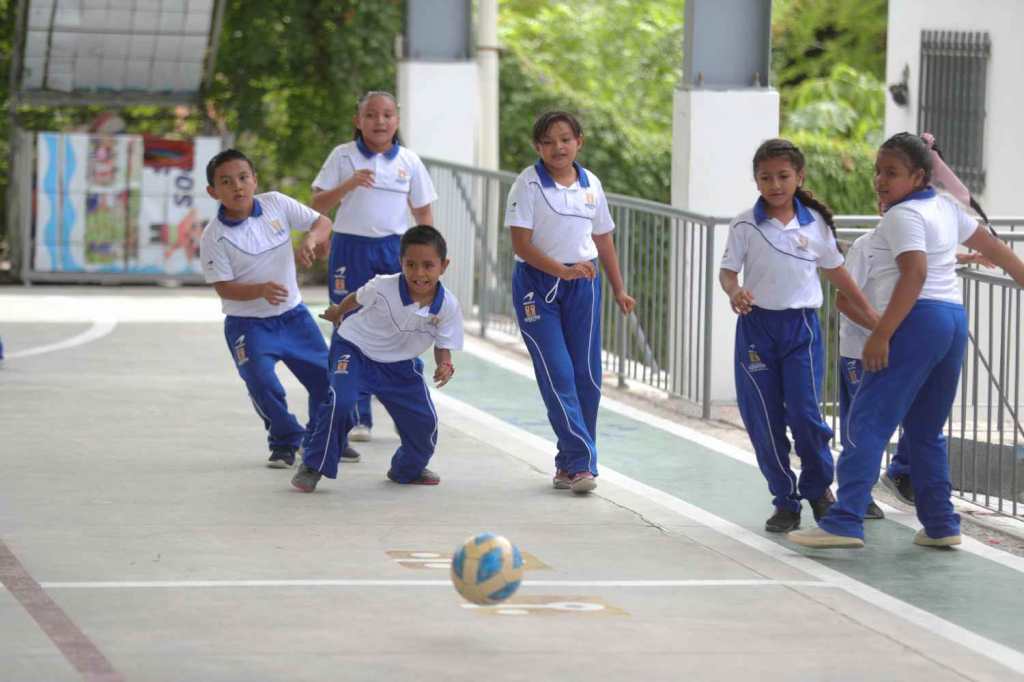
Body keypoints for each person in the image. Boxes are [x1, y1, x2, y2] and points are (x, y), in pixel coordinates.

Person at [789, 132, 1024, 549]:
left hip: (918, 321)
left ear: (918, 176)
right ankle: (940, 524)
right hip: (951, 321)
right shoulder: (947, 207)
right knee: (925, 430)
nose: (880, 180)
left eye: (891, 173)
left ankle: (843, 522)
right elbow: (998, 251)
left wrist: (881, 334)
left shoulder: (901, 217)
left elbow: (913, 273)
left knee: (868, 422)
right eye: (878, 171)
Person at [719, 138, 878, 533]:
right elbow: (727, 271)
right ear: (756, 181)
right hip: (757, 329)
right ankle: (784, 499)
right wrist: (734, 291)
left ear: (799, 176)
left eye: (783, 176)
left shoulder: (815, 223)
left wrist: (873, 316)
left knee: (806, 415)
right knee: (763, 418)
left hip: (801, 329)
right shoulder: (744, 224)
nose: (775, 184)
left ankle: (819, 490)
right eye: (766, 177)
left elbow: (837, 272)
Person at [504, 111, 635, 496]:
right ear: (537, 147)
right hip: (537, 285)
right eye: (548, 141)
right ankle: (581, 464)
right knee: (558, 373)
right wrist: (560, 271)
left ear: (579, 141)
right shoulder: (526, 186)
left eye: (565, 139)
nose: (557, 147)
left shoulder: (591, 183)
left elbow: (604, 238)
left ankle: (568, 463)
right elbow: (522, 244)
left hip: (583, 284)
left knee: (587, 378)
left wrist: (618, 289)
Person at [199, 149, 352, 468]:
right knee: (262, 383)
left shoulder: (276, 203)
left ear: (255, 179)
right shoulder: (214, 236)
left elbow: (323, 221)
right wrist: (260, 290)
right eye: (226, 182)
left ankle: (318, 437)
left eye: (243, 178)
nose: (237, 187)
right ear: (213, 192)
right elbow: (223, 288)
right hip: (248, 325)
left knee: (327, 384)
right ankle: (284, 439)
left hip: (294, 318)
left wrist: (311, 241)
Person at [291, 225, 462, 492]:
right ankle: (314, 464)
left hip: (400, 365)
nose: (419, 273)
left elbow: (443, 344)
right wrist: (338, 312)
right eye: (411, 264)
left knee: (424, 423)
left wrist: (445, 364)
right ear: (401, 263)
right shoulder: (384, 286)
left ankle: (407, 469)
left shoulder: (448, 305)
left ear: (444, 265)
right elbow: (356, 299)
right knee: (342, 402)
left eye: (428, 265)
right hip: (355, 349)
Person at [310, 91, 437, 444]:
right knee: (348, 322)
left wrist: (430, 259)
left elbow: (423, 211)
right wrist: (349, 184)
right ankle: (355, 414)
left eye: (386, 115)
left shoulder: (409, 161)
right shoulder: (342, 156)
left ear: (396, 120)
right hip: (351, 249)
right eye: (371, 115)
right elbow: (318, 202)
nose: (379, 122)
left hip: (394, 250)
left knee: (400, 322)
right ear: (358, 120)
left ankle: (407, 409)